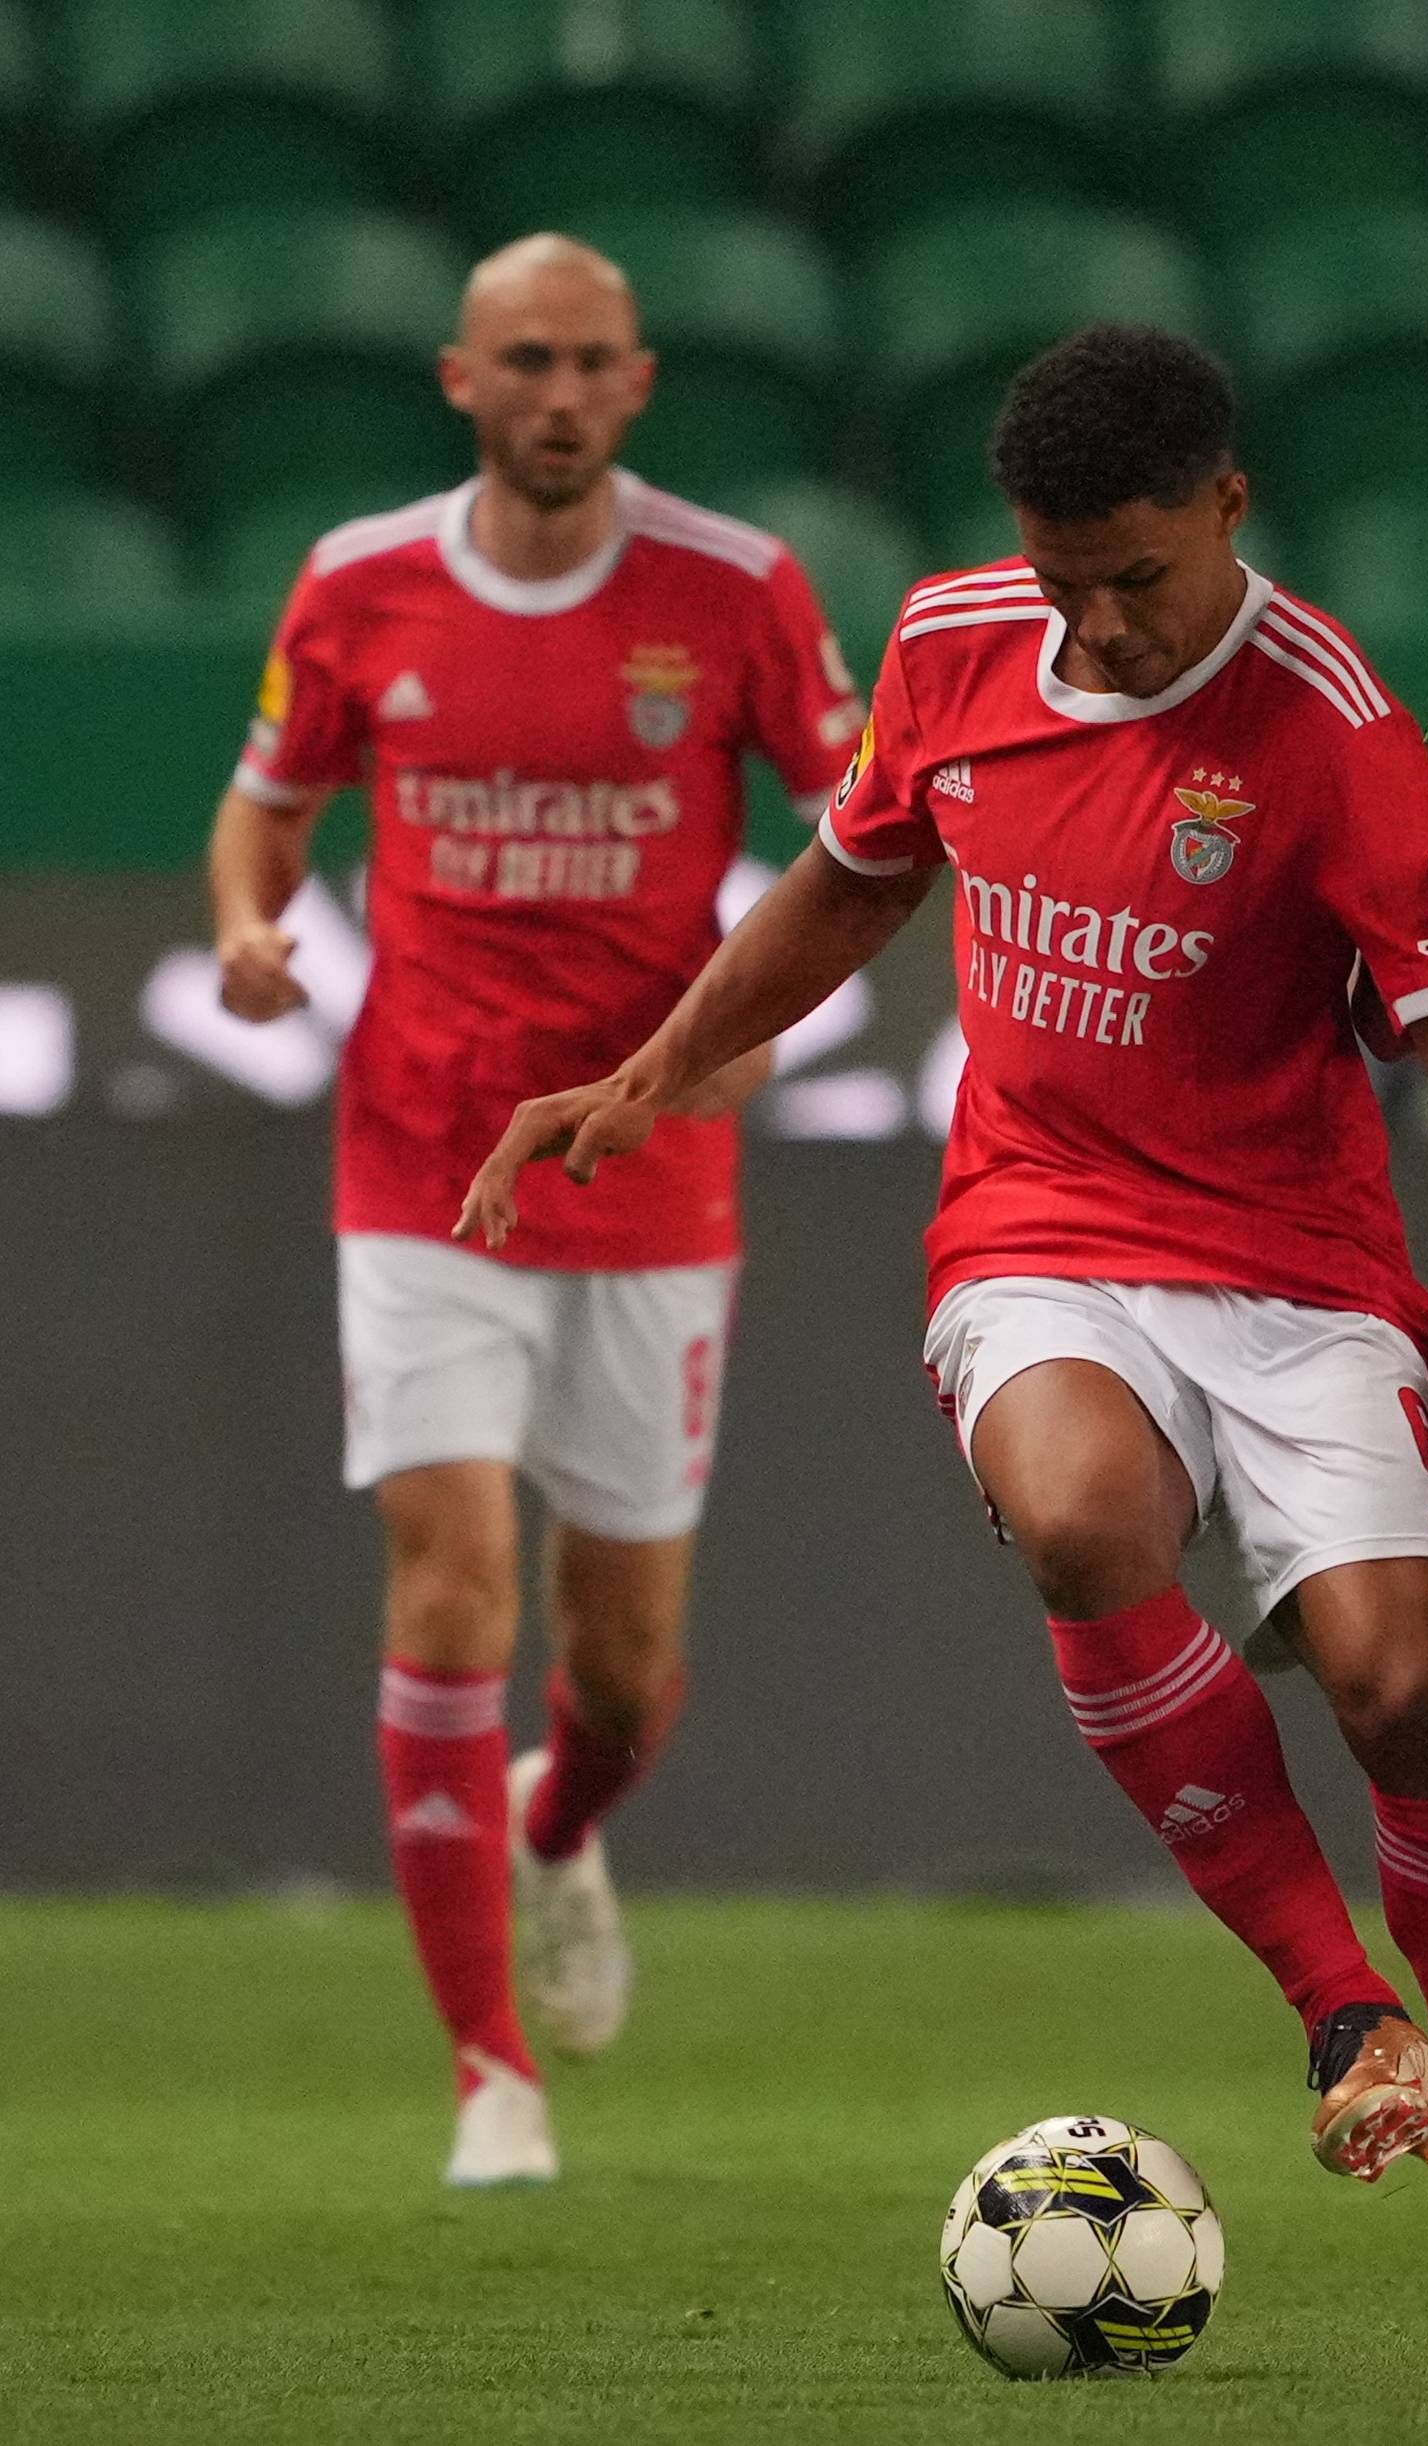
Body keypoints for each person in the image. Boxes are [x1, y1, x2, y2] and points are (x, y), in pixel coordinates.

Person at [460, 325, 1428, 2372]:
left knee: (1405, 1687)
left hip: (1298, 1265)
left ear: (1227, 508)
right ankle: (1342, 2007)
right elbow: (846, 880)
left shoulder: (1331, 729)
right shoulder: (957, 646)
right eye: (1068, 582)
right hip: (1039, 1227)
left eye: (1138, 579)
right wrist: (651, 1073)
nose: (1103, 626)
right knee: (1075, 1515)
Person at [206, 236, 866, 2187]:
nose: (558, 392)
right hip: (419, 1159)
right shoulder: (357, 582)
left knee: (623, 1672)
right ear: (458, 381)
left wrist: (752, 1034)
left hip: (650, 1171)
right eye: (525, 362)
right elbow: (268, 798)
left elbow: (860, 843)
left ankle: (558, 1817)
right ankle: (490, 2068)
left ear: (638, 383)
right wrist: (251, 920)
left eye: (590, 361)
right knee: (448, 1576)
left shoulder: (737, 588)